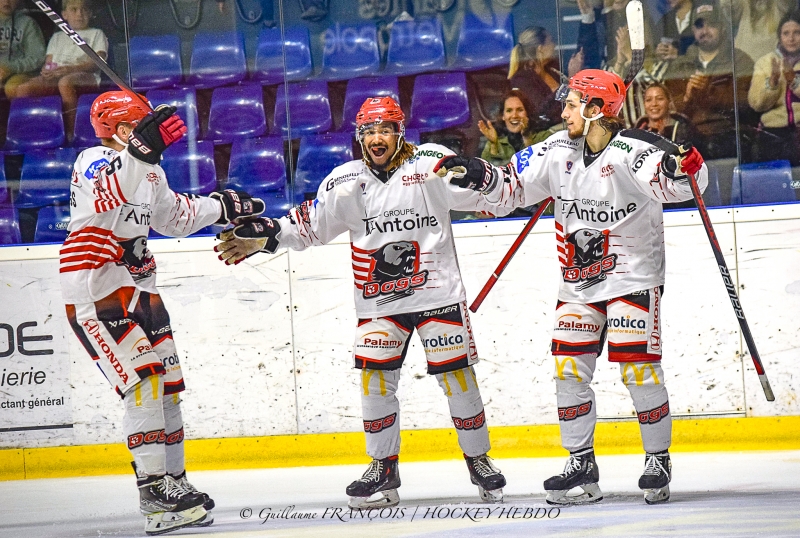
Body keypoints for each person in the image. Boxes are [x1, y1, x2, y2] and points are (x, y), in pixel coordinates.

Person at [215, 96, 508, 508]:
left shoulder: (429, 164)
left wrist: (482, 175)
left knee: (458, 379)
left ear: (399, 132)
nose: (376, 138)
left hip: (437, 296)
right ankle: (383, 468)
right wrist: (267, 235)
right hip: (380, 304)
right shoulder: (345, 181)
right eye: (368, 131)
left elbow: (489, 196)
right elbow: (310, 228)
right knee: (374, 381)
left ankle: (479, 460)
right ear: (359, 137)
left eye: (384, 129)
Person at [434, 69, 708, 505]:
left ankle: (658, 458)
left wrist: (683, 167)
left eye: (571, 103)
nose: (562, 112)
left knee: (638, 369)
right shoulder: (556, 149)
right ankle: (581, 460)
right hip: (578, 285)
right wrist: (478, 174)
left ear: (596, 108)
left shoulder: (632, 152)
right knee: (568, 370)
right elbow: (510, 187)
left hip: (631, 278)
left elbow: (677, 184)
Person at [61, 91, 264, 535]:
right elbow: (112, 189)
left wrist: (223, 205)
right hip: (97, 288)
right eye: (140, 125)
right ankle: (152, 490)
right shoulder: (92, 161)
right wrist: (142, 149)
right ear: (120, 131)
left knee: (168, 389)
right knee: (144, 384)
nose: (149, 133)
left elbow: (174, 217)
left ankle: (174, 481)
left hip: (141, 292)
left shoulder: (148, 170)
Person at [664, 0, 755, 160]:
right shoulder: (680, 65)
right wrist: (687, 97)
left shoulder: (740, 61)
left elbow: (746, 105)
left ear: (722, 27)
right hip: (690, 141)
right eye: (699, 26)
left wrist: (709, 93)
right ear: (693, 30)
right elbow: (669, 110)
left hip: (731, 137)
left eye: (711, 25)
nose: (705, 31)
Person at [8, 0, 107, 141]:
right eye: (74, 9)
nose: (80, 14)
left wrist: (70, 69)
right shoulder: (57, 37)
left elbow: (98, 62)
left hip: (86, 76)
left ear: (90, 14)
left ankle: (71, 133)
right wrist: (48, 71)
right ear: (64, 15)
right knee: (25, 88)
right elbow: (49, 63)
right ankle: (29, 135)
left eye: (84, 10)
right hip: (58, 76)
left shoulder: (96, 33)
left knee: (65, 83)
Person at [748, 10, 800, 165]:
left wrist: (794, 81)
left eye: (797, 32)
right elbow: (756, 103)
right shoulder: (765, 62)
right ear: (780, 36)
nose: (791, 38)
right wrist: (772, 82)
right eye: (786, 33)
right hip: (773, 134)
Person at [508, 26, 575, 131]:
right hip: (546, 135)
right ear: (540, 48)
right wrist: (570, 81)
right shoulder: (522, 80)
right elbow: (542, 112)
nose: (554, 45)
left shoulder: (553, 69)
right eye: (550, 41)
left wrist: (587, 17)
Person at [478, 90, 543, 167]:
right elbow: (487, 172)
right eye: (509, 111)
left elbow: (540, 167)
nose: (514, 115)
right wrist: (493, 145)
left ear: (527, 112)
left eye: (520, 110)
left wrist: (526, 137)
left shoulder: (543, 137)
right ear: (503, 116)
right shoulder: (494, 143)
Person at [0, 0, 46, 97]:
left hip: (20, 73)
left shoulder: (28, 23)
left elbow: (37, 58)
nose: (7, 1)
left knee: (12, 87)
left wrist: (10, 67)